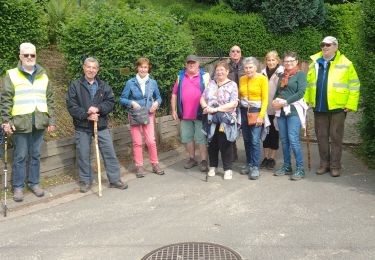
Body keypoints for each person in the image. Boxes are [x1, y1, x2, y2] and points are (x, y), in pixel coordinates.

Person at [1, 43, 56, 202]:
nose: (30, 58)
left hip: (39, 122)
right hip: (20, 123)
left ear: (36, 56)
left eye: (32, 55)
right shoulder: (11, 75)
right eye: (26, 55)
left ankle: (34, 183)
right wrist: (6, 121)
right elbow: (5, 101)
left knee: (36, 155)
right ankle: (18, 187)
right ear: (20, 56)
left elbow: (50, 99)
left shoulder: (43, 75)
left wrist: (51, 120)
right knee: (20, 156)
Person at [66, 57, 128, 193]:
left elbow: (110, 102)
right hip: (82, 126)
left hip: (100, 125)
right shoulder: (75, 85)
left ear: (97, 70)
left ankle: (114, 179)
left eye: (94, 68)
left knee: (109, 152)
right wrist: (87, 114)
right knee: (83, 154)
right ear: (84, 67)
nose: (91, 70)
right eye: (88, 67)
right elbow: (71, 106)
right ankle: (85, 181)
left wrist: (98, 108)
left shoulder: (103, 86)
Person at [305, 36, 360, 177]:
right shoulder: (314, 63)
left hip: (338, 108)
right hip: (319, 107)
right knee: (321, 137)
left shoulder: (346, 63)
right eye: (322, 44)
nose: (324, 47)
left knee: (336, 137)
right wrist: (305, 101)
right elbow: (308, 85)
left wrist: (351, 104)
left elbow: (354, 84)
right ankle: (324, 164)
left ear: (336, 47)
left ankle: (335, 165)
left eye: (328, 45)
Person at [120, 57, 164, 178]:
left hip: (149, 114)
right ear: (137, 68)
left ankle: (155, 164)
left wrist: (156, 103)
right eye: (141, 67)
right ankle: (139, 166)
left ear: (148, 68)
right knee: (137, 142)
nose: (143, 69)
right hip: (135, 115)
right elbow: (122, 99)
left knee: (150, 141)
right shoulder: (130, 82)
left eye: (145, 67)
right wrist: (132, 103)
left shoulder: (153, 82)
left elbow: (159, 97)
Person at [200, 61, 239, 180]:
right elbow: (202, 98)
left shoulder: (232, 85)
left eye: (222, 70)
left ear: (227, 71)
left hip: (225, 119)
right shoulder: (211, 84)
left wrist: (217, 109)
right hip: (211, 118)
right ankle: (213, 166)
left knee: (225, 144)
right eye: (218, 70)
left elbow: (234, 103)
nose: (219, 72)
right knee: (212, 143)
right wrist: (206, 107)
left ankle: (227, 169)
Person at [171, 55, 210, 172]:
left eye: (193, 63)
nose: (191, 65)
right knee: (187, 138)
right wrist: (173, 110)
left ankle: (204, 160)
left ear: (198, 64)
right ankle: (192, 158)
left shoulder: (205, 76)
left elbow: (212, 93)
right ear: (186, 64)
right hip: (185, 115)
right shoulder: (180, 77)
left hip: (200, 114)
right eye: (189, 63)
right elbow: (174, 94)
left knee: (201, 138)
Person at [272, 52, 307, 181]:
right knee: (284, 140)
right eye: (286, 61)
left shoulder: (300, 75)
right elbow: (278, 92)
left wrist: (285, 102)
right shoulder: (282, 75)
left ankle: (300, 168)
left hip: (293, 111)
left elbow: (301, 93)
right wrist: (275, 101)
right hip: (281, 111)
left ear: (296, 61)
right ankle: (287, 166)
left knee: (293, 139)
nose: (288, 63)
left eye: (291, 61)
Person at [238, 57, 268, 180]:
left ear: (256, 67)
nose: (248, 69)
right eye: (246, 67)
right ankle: (249, 163)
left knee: (255, 140)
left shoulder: (262, 79)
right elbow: (240, 95)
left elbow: (265, 99)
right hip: (244, 110)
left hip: (256, 111)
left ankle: (255, 166)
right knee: (246, 139)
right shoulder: (242, 79)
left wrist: (261, 116)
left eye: (250, 67)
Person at [260, 51, 284, 170]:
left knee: (274, 134)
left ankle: (272, 158)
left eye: (273, 60)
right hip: (264, 108)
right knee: (265, 133)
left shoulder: (282, 73)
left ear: (277, 60)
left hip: (276, 108)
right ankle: (265, 157)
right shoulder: (262, 73)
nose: (271, 62)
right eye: (268, 60)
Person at [227, 45, 244, 162]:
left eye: (237, 51)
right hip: (230, 104)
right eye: (233, 51)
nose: (235, 53)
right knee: (230, 128)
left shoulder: (246, 66)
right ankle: (232, 153)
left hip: (245, 104)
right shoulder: (225, 66)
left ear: (241, 54)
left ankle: (251, 158)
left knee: (247, 131)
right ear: (229, 54)